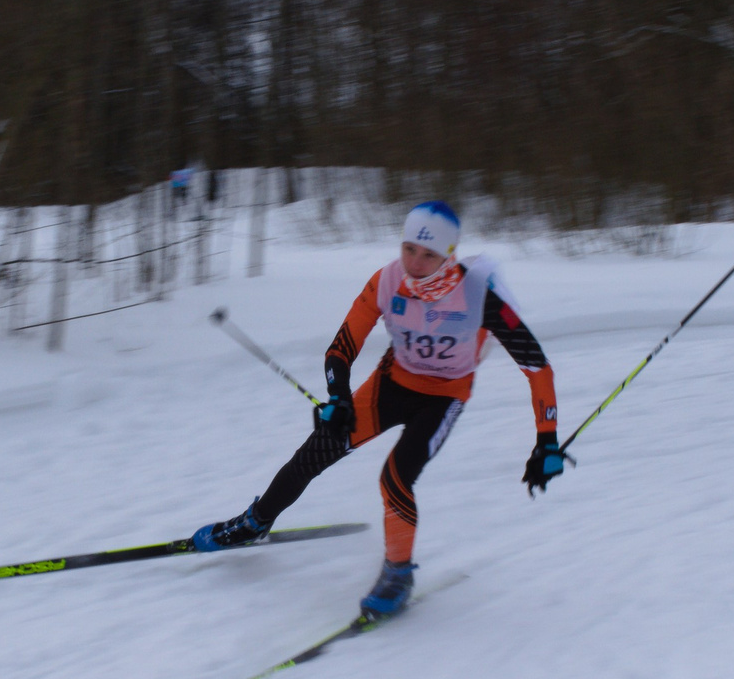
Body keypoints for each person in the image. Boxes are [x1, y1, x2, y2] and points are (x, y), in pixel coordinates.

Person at [192, 200, 569, 615]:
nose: (416, 262)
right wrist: (337, 397)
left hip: (444, 397)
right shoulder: (387, 281)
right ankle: (254, 523)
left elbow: (538, 367)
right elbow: (341, 347)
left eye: (429, 254)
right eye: (409, 248)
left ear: (449, 254)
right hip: (392, 383)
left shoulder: (479, 295)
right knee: (315, 452)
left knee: (395, 478)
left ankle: (399, 572)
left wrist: (546, 441)